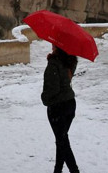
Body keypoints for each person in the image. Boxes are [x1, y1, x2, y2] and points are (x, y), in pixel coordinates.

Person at [41, 44, 80, 173]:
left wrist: (44, 98)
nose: (52, 46)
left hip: (58, 108)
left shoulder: (54, 63)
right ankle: (57, 170)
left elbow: (53, 89)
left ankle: (74, 170)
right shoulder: (70, 60)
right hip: (70, 104)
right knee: (61, 139)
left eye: (54, 44)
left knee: (63, 142)